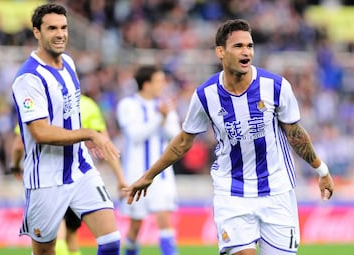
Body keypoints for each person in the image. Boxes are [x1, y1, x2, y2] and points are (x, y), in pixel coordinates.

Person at [123, 19, 335, 255]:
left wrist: (321, 171)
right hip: (232, 193)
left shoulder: (275, 86)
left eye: (250, 46)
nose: (246, 52)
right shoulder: (205, 95)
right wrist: (149, 176)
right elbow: (183, 141)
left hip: (277, 192)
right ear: (220, 52)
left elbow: (294, 133)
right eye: (238, 46)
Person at [11, 3, 122, 255]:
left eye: (64, 27)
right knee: (45, 251)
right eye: (52, 28)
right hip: (46, 179)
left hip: (80, 167)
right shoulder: (28, 78)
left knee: (111, 241)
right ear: (37, 32)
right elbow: (40, 132)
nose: (60, 33)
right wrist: (89, 134)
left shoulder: (69, 63)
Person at [10, 94, 128, 255]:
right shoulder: (87, 104)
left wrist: (15, 166)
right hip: (77, 176)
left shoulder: (39, 105)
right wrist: (120, 178)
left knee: (56, 236)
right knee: (72, 236)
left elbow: (18, 145)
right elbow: (105, 145)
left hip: (48, 179)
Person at [116, 65, 180, 255]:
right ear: (146, 84)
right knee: (135, 227)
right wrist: (159, 117)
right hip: (136, 175)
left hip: (162, 177)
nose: (163, 85)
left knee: (165, 221)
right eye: (159, 81)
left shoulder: (165, 106)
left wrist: (165, 117)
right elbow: (135, 135)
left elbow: (176, 136)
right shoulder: (127, 105)